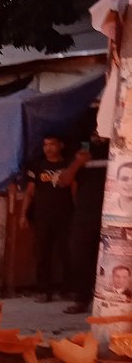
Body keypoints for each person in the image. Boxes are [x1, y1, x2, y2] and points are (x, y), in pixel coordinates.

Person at [20, 134, 74, 302]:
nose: (48, 148)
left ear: (61, 145)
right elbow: (29, 192)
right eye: (45, 145)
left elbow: (74, 190)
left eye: (52, 144)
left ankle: (67, 290)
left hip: (65, 216)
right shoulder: (37, 166)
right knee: (43, 255)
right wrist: (23, 214)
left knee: (67, 254)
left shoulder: (69, 165)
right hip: (42, 217)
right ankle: (44, 291)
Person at [61, 132, 108, 313]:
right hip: (84, 216)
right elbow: (64, 181)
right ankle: (81, 299)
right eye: (95, 133)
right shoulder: (83, 153)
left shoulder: (120, 149)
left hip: (116, 216)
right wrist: (78, 163)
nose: (98, 136)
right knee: (79, 257)